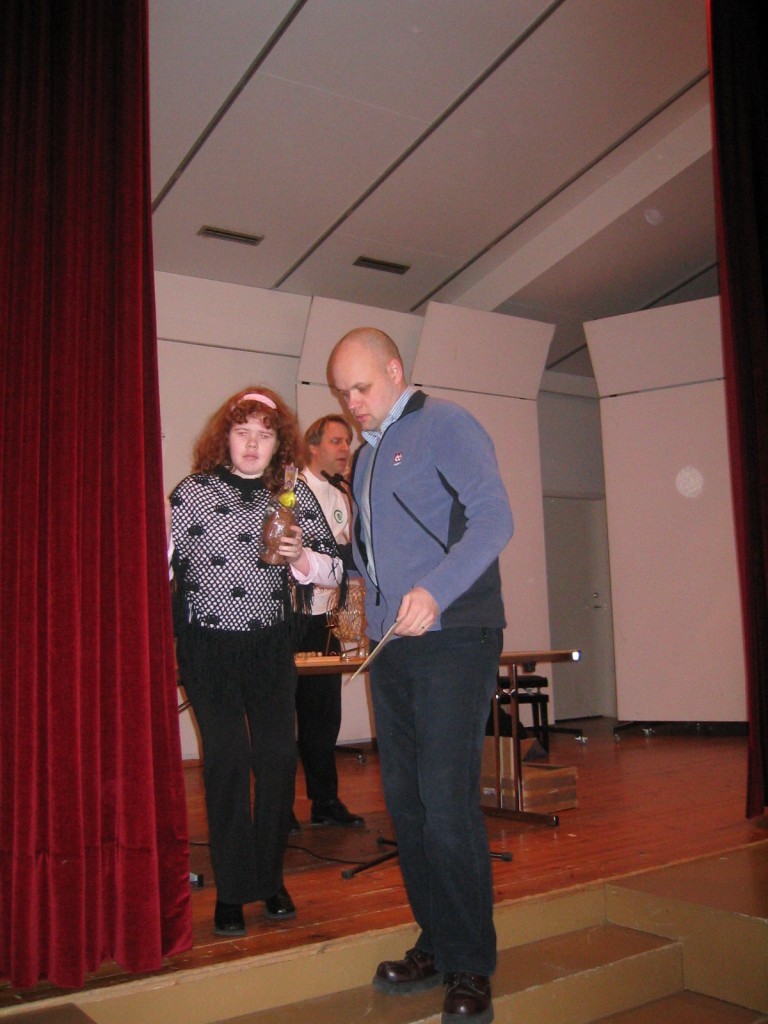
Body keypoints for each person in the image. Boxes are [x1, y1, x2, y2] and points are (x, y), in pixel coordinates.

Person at [328, 328, 513, 1024]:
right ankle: (436, 941)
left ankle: (470, 961)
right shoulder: (366, 458)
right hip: (393, 646)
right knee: (406, 803)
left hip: (455, 635)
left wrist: (435, 590)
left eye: (362, 387)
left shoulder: (447, 425)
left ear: (396, 370)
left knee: (444, 797)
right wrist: (348, 616)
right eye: (343, 392)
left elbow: (494, 520)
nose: (353, 403)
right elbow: (363, 558)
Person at [168, 387, 342, 936]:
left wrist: (302, 558)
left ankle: (269, 880)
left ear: (279, 444)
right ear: (225, 438)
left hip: (269, 648)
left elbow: (336, 571)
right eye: (242, 433)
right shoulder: (192, 493)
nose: (251, 444)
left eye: (264, 435)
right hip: (207, 648)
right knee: (226, 759)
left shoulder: (291, 496)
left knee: (276, 759)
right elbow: (156, 565)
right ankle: (231, 889)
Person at [291, 414, 365, 830]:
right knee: (281, 719)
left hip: (325, 620)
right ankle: (280, 808)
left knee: (323, 717)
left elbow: (349, 558)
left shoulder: (343, 494)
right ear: (313, 446)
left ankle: (325, 802)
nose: (344, 449)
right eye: (336, 441)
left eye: (347, 442)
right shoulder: (289, 490)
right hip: (288, 619)